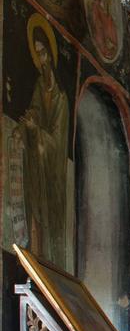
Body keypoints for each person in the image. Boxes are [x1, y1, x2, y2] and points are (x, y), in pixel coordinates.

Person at [20, 20, 71, 270]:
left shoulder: (61, 97)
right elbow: (35, 114)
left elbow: (58, 138)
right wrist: (30, 126)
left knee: (50, 218)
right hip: (37, 159)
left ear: (51, 54)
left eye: (44, 53)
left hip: (51, 165)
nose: (41, 60)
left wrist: (36, 131)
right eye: (37, 53)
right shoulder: (40, 87)